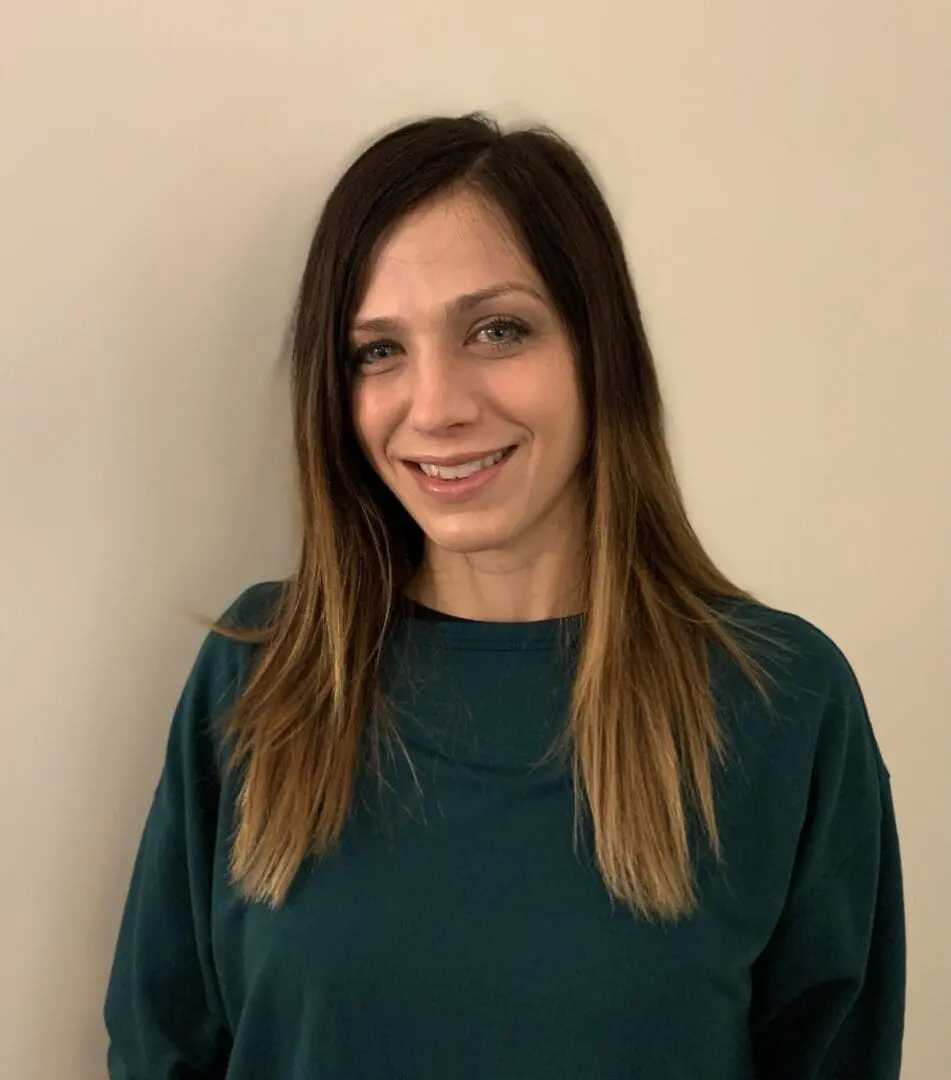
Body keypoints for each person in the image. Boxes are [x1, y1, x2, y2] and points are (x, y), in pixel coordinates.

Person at [104, 113, 905, 1079]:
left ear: (595, 351)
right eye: (377, 351)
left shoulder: (782, 700)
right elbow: (163, 1050)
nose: (436, 406)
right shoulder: (260, 674)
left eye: (497, 330)